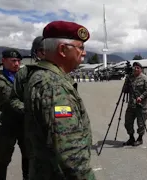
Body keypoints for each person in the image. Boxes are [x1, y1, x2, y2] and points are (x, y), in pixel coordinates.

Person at [23, 20, 95, 180]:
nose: (84, 53)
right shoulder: (54, 85)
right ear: (62, 50)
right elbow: (70, 154)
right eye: (80, 47)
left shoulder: (40, 76)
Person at [0, 49, 29, 180]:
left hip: (24, 124)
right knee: (3, 159)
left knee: (28, 156)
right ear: (3, 61)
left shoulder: (24, 78)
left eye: (19, 61)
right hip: (4, 126)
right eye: (13, 61)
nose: (17, 64)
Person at [123, 61, 147, 146]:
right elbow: (125, 90)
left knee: (141, 124)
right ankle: (131, 138)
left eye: (137, 68)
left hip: (140, 106)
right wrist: (126, 82)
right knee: (127, 122)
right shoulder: (130, 78)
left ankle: (140, 139)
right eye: (134, 67)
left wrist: (141, 97)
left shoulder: (145, 79)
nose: (135, 69)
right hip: (131, 105)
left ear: (141, 69)